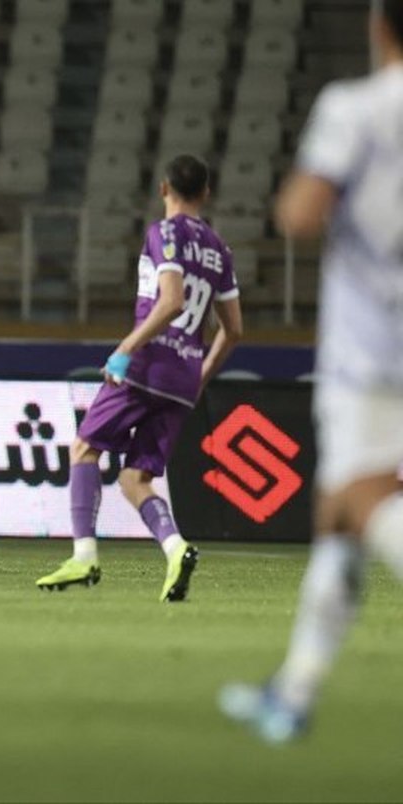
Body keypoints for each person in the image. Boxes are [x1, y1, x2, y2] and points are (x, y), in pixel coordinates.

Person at [219, 0, 403, 743]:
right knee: (336, 522)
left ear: (379, 25)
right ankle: (293, 694)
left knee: (362, 503)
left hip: (373, 352)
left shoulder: (356, 108)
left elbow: (301, 211)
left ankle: (291, 695)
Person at [35, 154, 243, 601]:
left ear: (164, 188)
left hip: (149, 364)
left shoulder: (163, 233)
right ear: (205, 193)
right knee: (136, 479)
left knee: (85, 447)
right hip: (185, 376)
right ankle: (176, 548)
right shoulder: (220, 250)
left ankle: (85, 555)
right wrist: (201, 374)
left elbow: (171, 301)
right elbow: (234, 330)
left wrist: (126, 349)